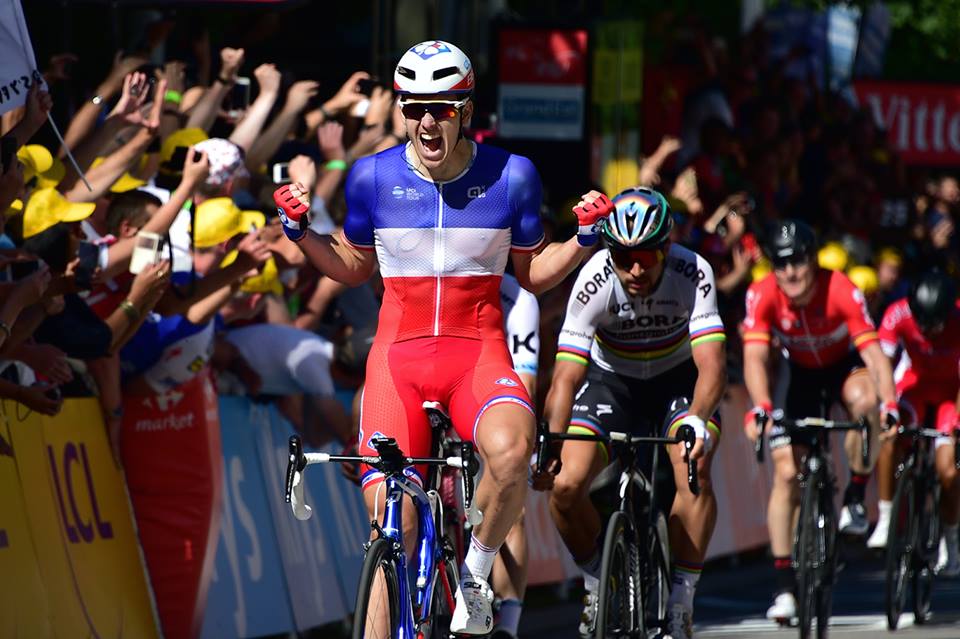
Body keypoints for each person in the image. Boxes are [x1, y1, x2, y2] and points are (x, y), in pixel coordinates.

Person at [273, 39, 612, 636]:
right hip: (396, 361)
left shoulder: (512, 176)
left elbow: (531, 273)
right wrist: (301, 233)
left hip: (475, 353)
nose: (427, 121)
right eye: (413, 106)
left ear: (466, 110)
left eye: (443, 107)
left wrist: (584, 240)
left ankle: (476, 574)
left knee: (512, 451)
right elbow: (353, 265)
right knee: (392, 531)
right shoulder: (371, 176)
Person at [535, 187, 726, 639]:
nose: (635, 269)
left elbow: (713, 367)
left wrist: (698, 418)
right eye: (623, 257)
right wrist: (552, 443)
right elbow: (564, 378)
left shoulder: (692, 270)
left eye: (646, 256)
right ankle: (598, 583)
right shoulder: (594, 278)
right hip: (612, 385)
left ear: (666, 247)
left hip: (677, 383)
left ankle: (681, 598)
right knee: (564, 487)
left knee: (692, 464)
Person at [741, 219, 899, 622]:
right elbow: (756, 357)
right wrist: (759, 406)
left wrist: (890, 404)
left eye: (798, 261)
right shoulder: (762, 294)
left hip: (844, 368)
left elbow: (874, 355)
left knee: (865, 405)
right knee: (784, 472)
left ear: (813, 260)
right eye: (781, 263)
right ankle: (784, 588)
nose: (791, 271)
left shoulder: (842, 289)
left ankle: (854, 500)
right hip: (801, 377)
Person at [867, 271, 960, 577]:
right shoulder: (898, 314)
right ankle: (885, 516)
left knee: (948, 471)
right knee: (891, 436)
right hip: (914, 388)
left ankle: (951, 543)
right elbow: (883, 366)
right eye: (923, 323)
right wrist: (888, 406)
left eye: (935, 324)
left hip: (951, 394)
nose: (928, 331)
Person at [490, 271, 539, 639]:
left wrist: (525, 441)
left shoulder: (517, 299)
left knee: (512, 508)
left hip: (498, 401)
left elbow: (526, 379)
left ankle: (509, 621)